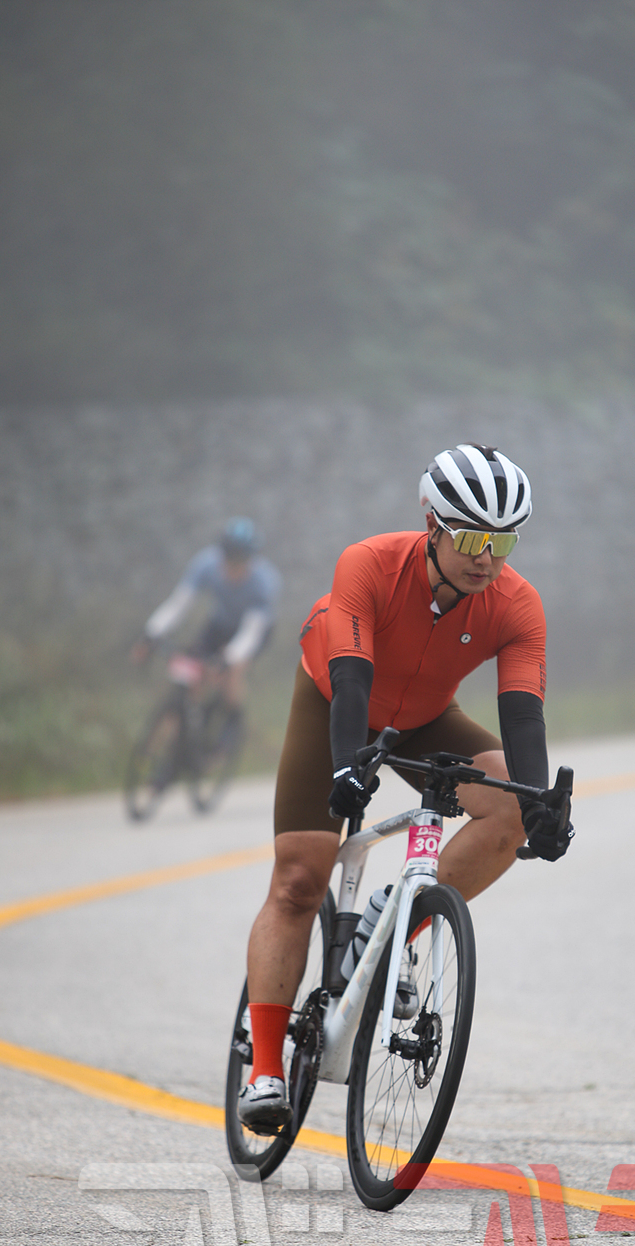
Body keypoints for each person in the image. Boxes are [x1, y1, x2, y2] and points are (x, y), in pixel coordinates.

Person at [237, 444, 574, 1130]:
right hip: (336, 701)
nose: (488, 558)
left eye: (504, 541)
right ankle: (266, 1068)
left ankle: (397, 915)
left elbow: (522, 716)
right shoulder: (369, 563)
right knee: (300, 879)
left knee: (511, 811)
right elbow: (351, 676)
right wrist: (346, 766)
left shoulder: (517, 604)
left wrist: (539, 803)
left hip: (424, 719)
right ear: (432, 524)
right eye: (472, 538)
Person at [131, 518, 280, 708]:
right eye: (229, 559)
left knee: (232, 674)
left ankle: (233, 716)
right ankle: (190, 716)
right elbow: (179, 604)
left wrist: (228, 659)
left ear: (250, 560)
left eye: (240, 562)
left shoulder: (264, 582)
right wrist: (152, 632)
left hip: (255, 631)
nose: (233, 567)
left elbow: (251, 632)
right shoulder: (206, 565)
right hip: (220, 623)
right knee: (194, 668)